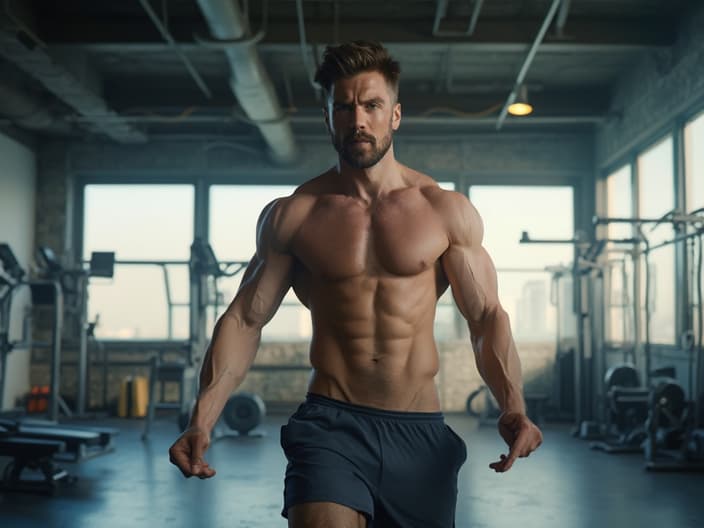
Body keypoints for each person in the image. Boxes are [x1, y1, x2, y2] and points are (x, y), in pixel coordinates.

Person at [169, 40, 543, 527]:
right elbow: (245, 318)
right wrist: (202, 418)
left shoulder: (443, 211)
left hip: (419, 431)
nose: (358, 119)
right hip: (331, 425)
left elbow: (486, 316)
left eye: (372, 105)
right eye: (343, 107)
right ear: (327, 118)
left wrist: (513, 405)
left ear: (396, 115)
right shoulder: (294, 215)